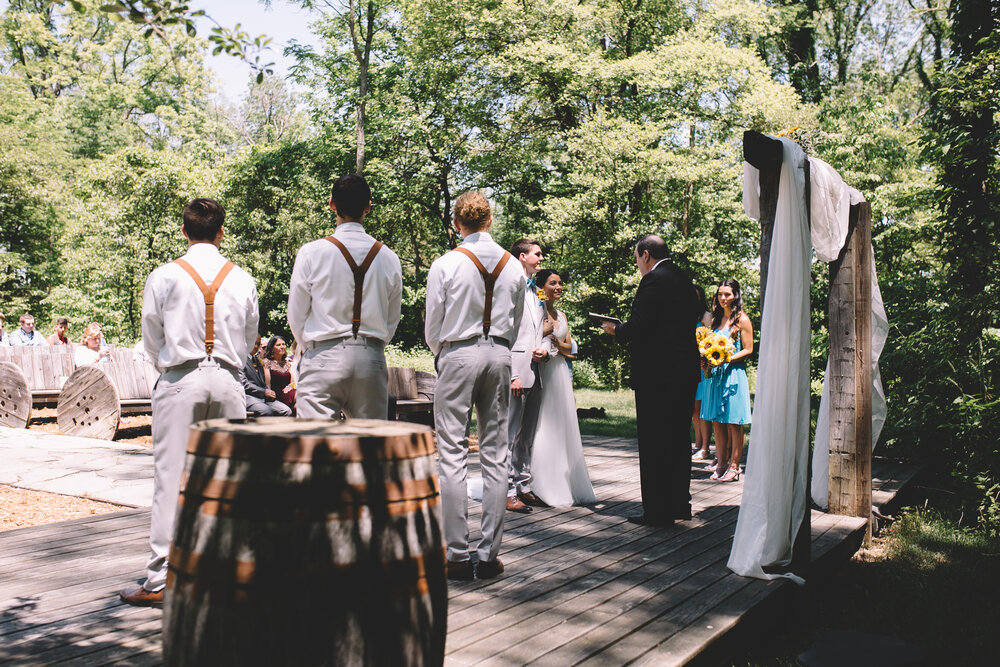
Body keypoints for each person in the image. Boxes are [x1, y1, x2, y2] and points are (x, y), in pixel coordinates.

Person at [120, 198, 258, 608]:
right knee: (228, 478)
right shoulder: (242, 278)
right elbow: (250, 338)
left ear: (184, 231)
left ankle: (162, 579)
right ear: (220, 232)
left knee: (170, 480)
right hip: (230, 380)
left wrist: (175, 363)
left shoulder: (163, 276)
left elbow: (151, 335)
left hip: (181, 378)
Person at [425, 191, 524, 581]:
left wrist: (443, 352)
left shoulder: (446, 263)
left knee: (451, 452)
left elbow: (434, 321)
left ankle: (455, 555)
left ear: (457, 223)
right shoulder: (513, 267)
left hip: (458, 353)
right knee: (496, 454)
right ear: (489, 220)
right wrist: (499, 345)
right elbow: (515, 322)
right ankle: (489, 555)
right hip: (499, 353)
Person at [600, 234, 699, 527]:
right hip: (685, 371)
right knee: (680, 439)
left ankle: (657, 511)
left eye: (637, 260)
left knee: (656, 441)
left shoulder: (653, 281)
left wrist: (615, 330)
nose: (638, 266)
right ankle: (680, 503)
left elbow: (640, 327)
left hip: (658, 375)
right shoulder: (684, 278)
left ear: (645, 255)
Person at [288, 174, 402, 420]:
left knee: (314, 448)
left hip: (323, 356)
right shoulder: (389, 258)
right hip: (370, 359)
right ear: (368, 207)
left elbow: (296, 315)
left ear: (332, 204)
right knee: (370, 448)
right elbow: (392, 318)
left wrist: (311, 348)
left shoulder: (311, 253)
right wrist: (373, 345)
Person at [529, 269, 596, 507]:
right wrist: (550, 339)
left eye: (560, 283)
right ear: (540, 287)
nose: (558, 287)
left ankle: (565, 482)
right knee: (541, 423)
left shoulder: (562, 315)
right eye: (553, 283)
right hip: (541, 370)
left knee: (562, 425)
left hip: (560, 372)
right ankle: (536, 483)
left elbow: (571, 350)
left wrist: (556, 342)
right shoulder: (534, 311)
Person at [506, 238, 553, 513]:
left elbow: (544, 331)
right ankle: (508, 491)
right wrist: (512, 374)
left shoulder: (537, 292)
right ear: (522, 257)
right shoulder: (509, 286)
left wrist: (545, 350)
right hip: (516, 374)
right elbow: (503, 333)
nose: (541, 258)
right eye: (537, 253)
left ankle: (524, 486)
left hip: (536, 372)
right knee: (510, 435)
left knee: (528, 436)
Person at [700, 278, 754, 482]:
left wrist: (725, 358)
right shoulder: (714, 320)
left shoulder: (742, 320)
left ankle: (734, 465)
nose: (723, 298)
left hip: (733, 374)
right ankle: (720, 462)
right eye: (720, 294)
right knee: (717, 421)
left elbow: (748, 349)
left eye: (727, 294)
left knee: (734, 422)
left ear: (735, 295)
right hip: (715, 376)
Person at [691, 285, 714, 463]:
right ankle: (697, 443)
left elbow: (711, 341)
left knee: (701, 409)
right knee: (693, 410)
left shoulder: (705, 316)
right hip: (688, 366)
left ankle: (705, 447)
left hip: (702, 366)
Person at [241, 335, 292, 416]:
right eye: (254, 343)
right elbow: (244, 384)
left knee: (286, 411)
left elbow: (263, 382)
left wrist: (268, 392)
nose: (256, 347)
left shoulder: (257, 360)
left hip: (263, 397)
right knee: (267, 411)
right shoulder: (241, 360)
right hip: (249, 396)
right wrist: (264, 392)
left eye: (258, 344)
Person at [262, 335, 296, 413]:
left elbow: (293, 383)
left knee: (298, 406)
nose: (282, 347)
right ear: (272, 348)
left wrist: (287, 390)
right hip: (275, 394)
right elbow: (268, 384)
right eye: (278, 345)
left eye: (283, 344)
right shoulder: (267, 362)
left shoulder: (287, 362)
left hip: (288, 392)